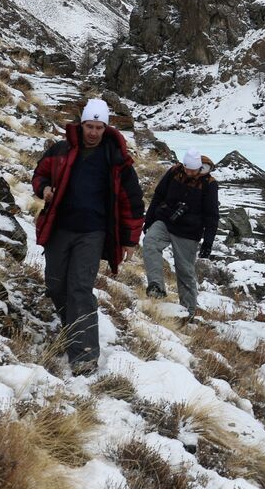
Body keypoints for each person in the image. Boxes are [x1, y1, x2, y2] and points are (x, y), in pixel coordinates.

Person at [31, 98, 144, 376]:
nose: (93, 132)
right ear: (81, 124)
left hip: (93, 233)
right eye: (89, 126)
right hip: (60, 228)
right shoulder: (61, 150)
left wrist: (130, 240)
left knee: (80, 288)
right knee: (56, 284)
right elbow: (39, 174)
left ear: (106, 128)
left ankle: (84, 355)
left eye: (99, 127)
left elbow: (133, 201)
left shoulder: (117, 160)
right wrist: (44, 188)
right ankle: (71, 330)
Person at [142, 148, 219, 314]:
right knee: (149, 243)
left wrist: (208, 242)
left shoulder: (209, 184)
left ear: (199, 167)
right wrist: (148, 221)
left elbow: (212, 215)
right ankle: (157, 287)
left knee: (185, 271)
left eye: (193, 170)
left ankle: (188, 312)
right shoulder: (174, 172)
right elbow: (158, 195)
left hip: (189, 231)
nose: (189, 172)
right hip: (165, 220)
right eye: (187, 168)